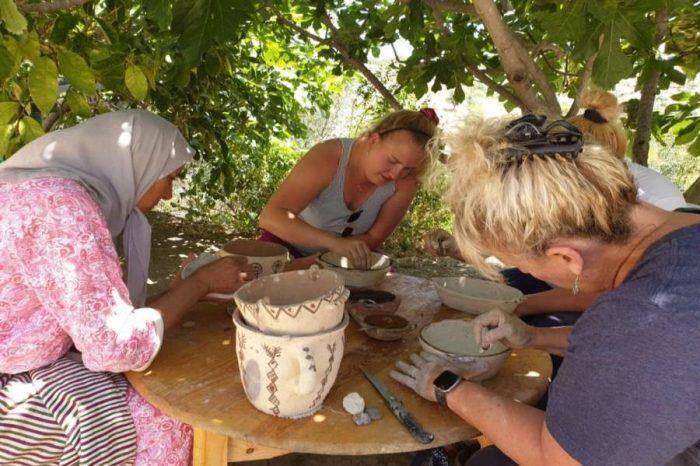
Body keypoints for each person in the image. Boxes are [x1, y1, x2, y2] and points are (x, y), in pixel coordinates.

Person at [392, 114, 700, 465]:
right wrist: (533, 338)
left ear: (566, 257)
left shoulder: (649, 316)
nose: (524, 273)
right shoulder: (685, 225)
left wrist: (446, 385)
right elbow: (636, 354)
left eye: (523, 266)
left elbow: (558, 460)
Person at [0, 110, 254, 465]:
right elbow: (113, 346)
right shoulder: (63, 209)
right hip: (10, 384)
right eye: (170, 178)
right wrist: (199, 284)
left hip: (19, 358)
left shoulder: (41, 189)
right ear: (138, 163)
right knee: (169, 417)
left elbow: (98, 313)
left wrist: (182, 288)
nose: (169, 194)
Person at [259, 109, 439, 269]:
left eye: (408, 168)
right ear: (374, 139)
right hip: (283, 250)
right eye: (392, 161)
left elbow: (374, 238)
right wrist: (332, 243)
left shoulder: (406, 182)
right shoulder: (329, 156)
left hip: (339, 261)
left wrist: (329, 257)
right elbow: (271, 217)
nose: (395, 174)